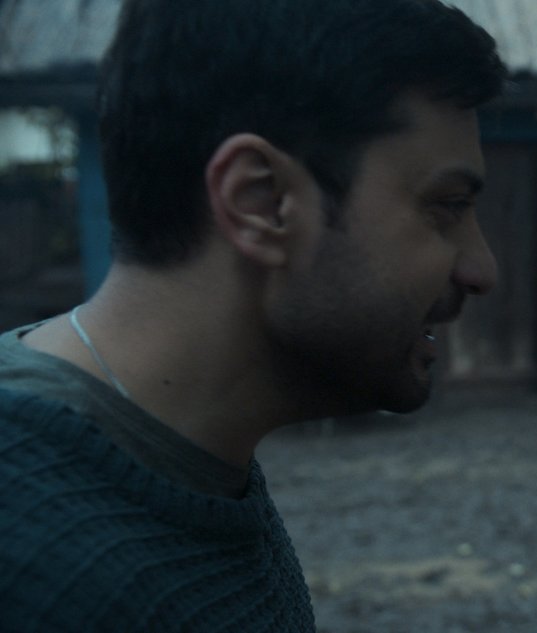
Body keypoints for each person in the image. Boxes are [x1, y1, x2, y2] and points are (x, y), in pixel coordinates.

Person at [0, 0, 505, 630]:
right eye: (447, 205)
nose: (482, 269)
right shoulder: (25, 558)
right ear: (261, 203)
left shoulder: (195, 462)